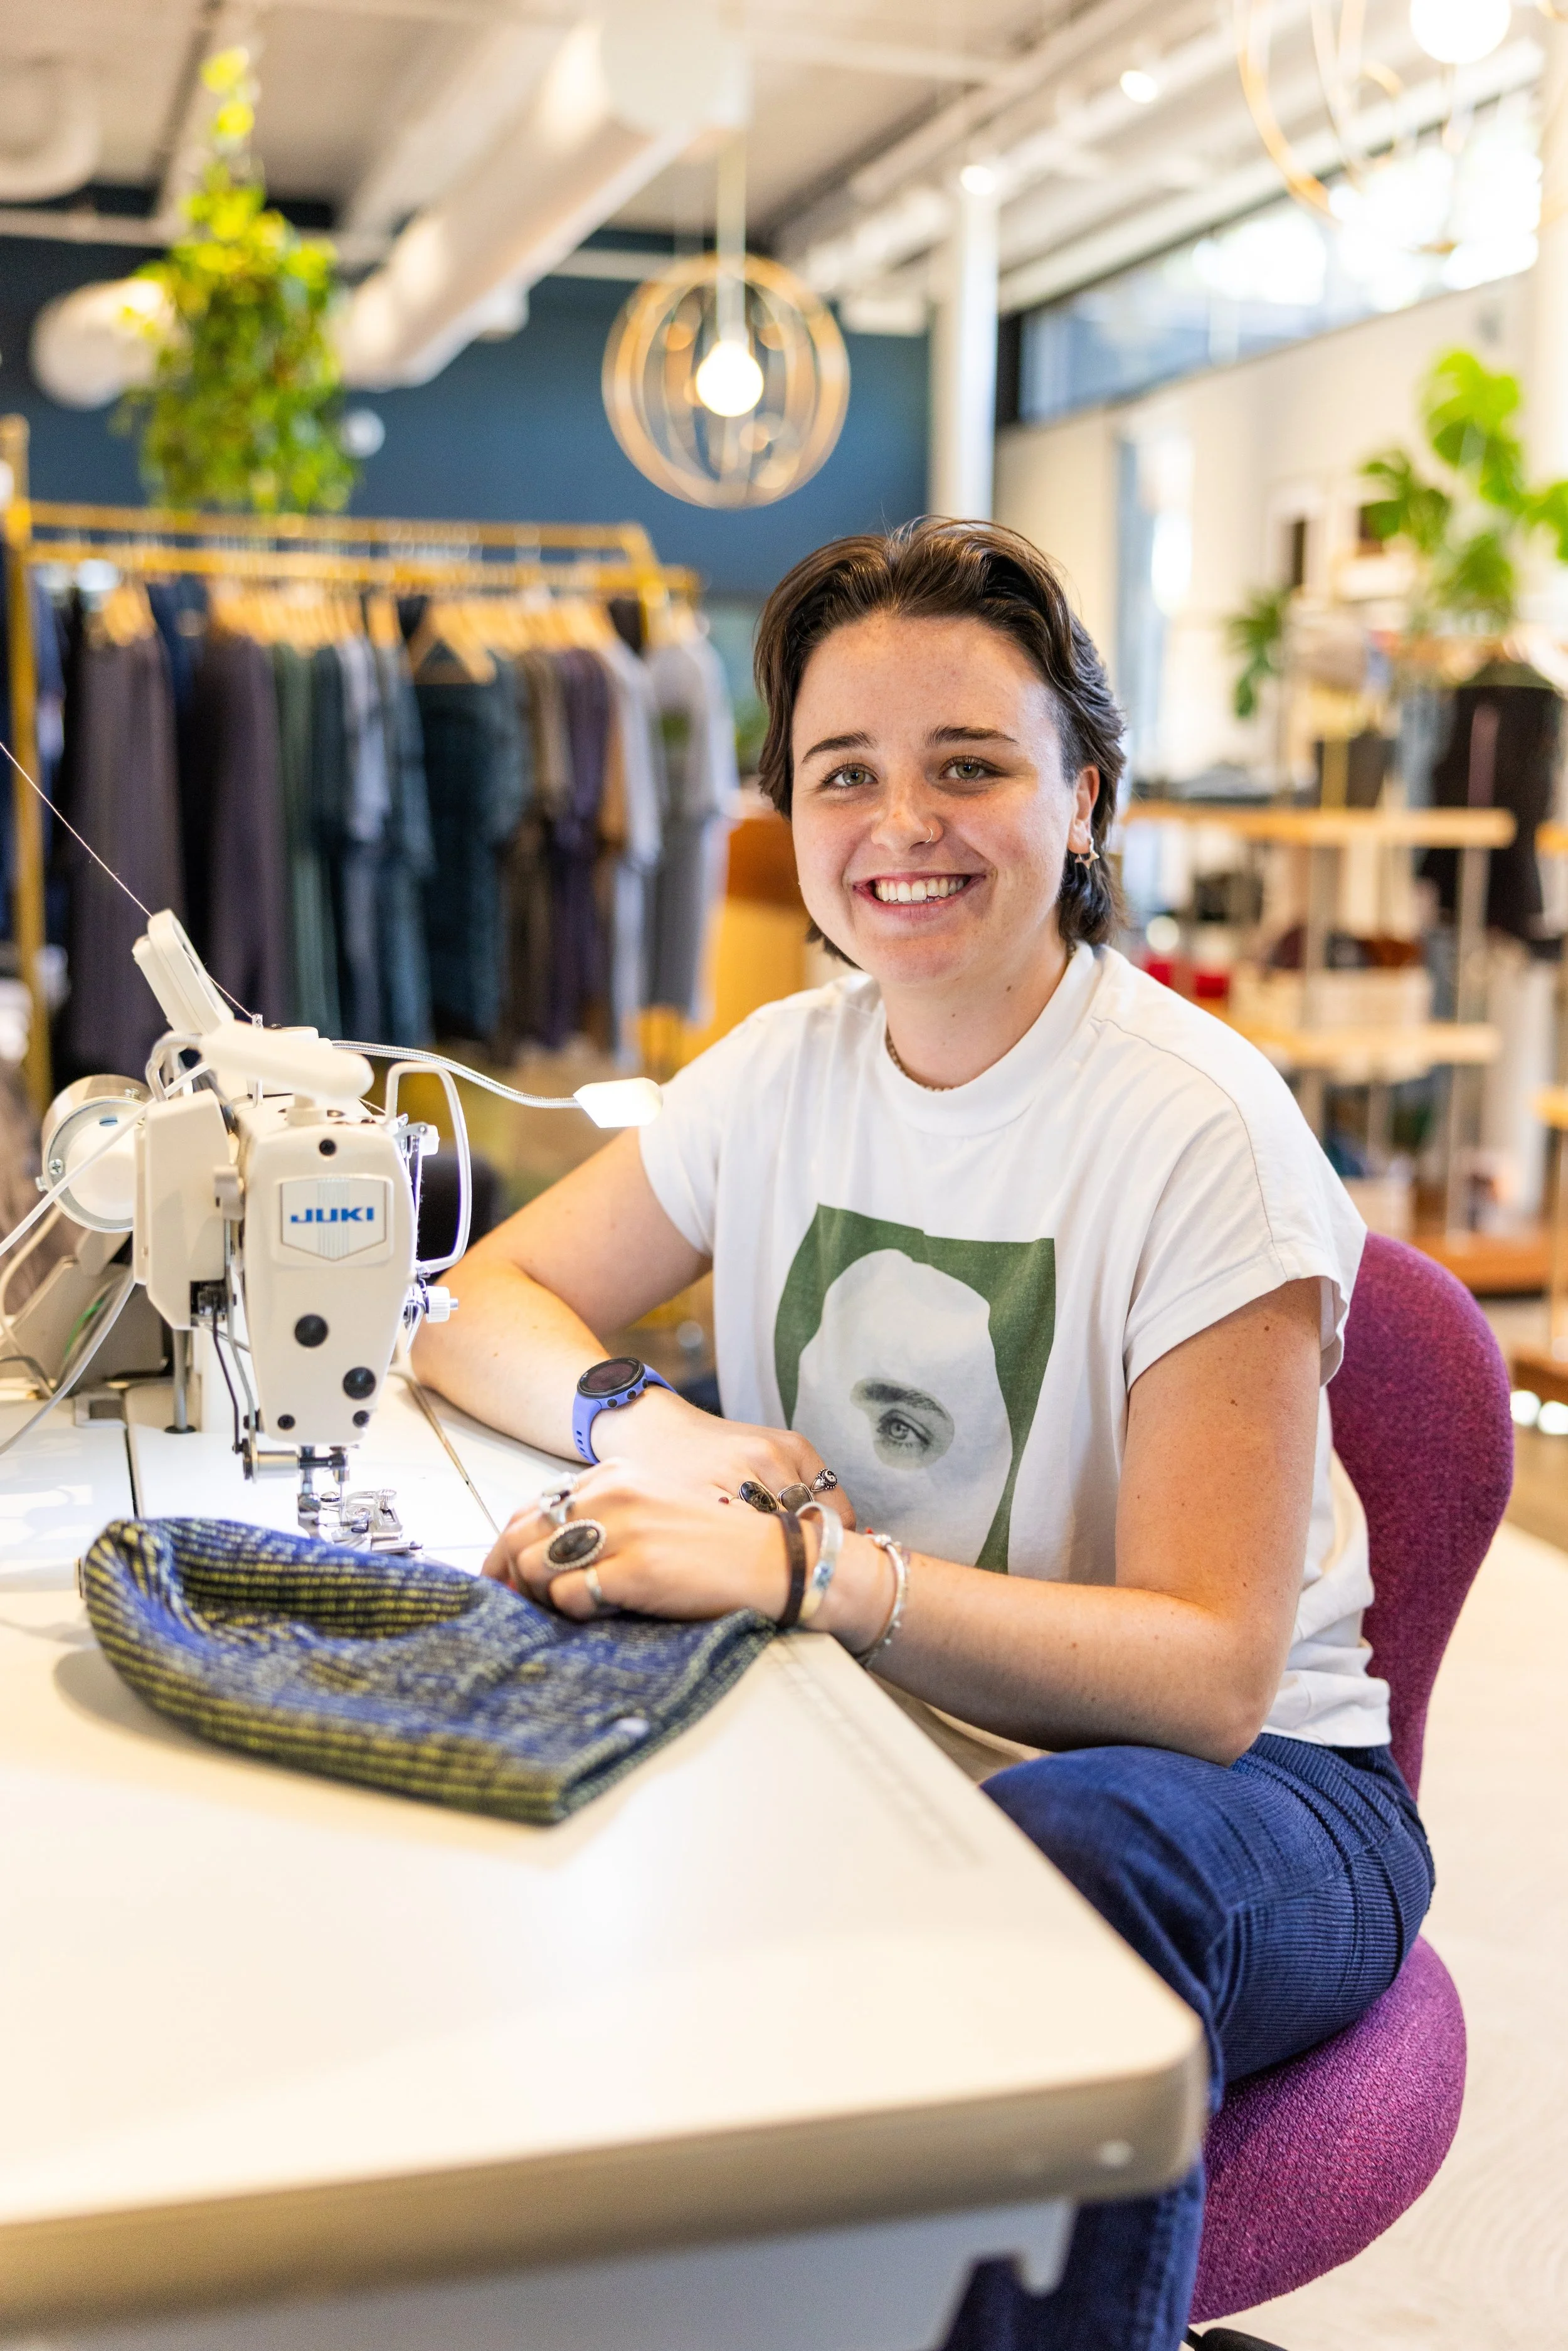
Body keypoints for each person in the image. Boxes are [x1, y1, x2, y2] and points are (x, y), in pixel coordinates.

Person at [411, 519, 1434, 2351]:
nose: (903, 825)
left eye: (970, 764)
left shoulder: (1194, 1130)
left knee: (1072, 1854)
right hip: (889, 1728)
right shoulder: (782, 1068)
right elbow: (481, 1298)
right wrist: (643, 1425)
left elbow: (1206, 1677)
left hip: (1253, 1797)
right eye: (842, 774)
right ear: (786, 817)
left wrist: (813, 1571)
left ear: (1085, 794)